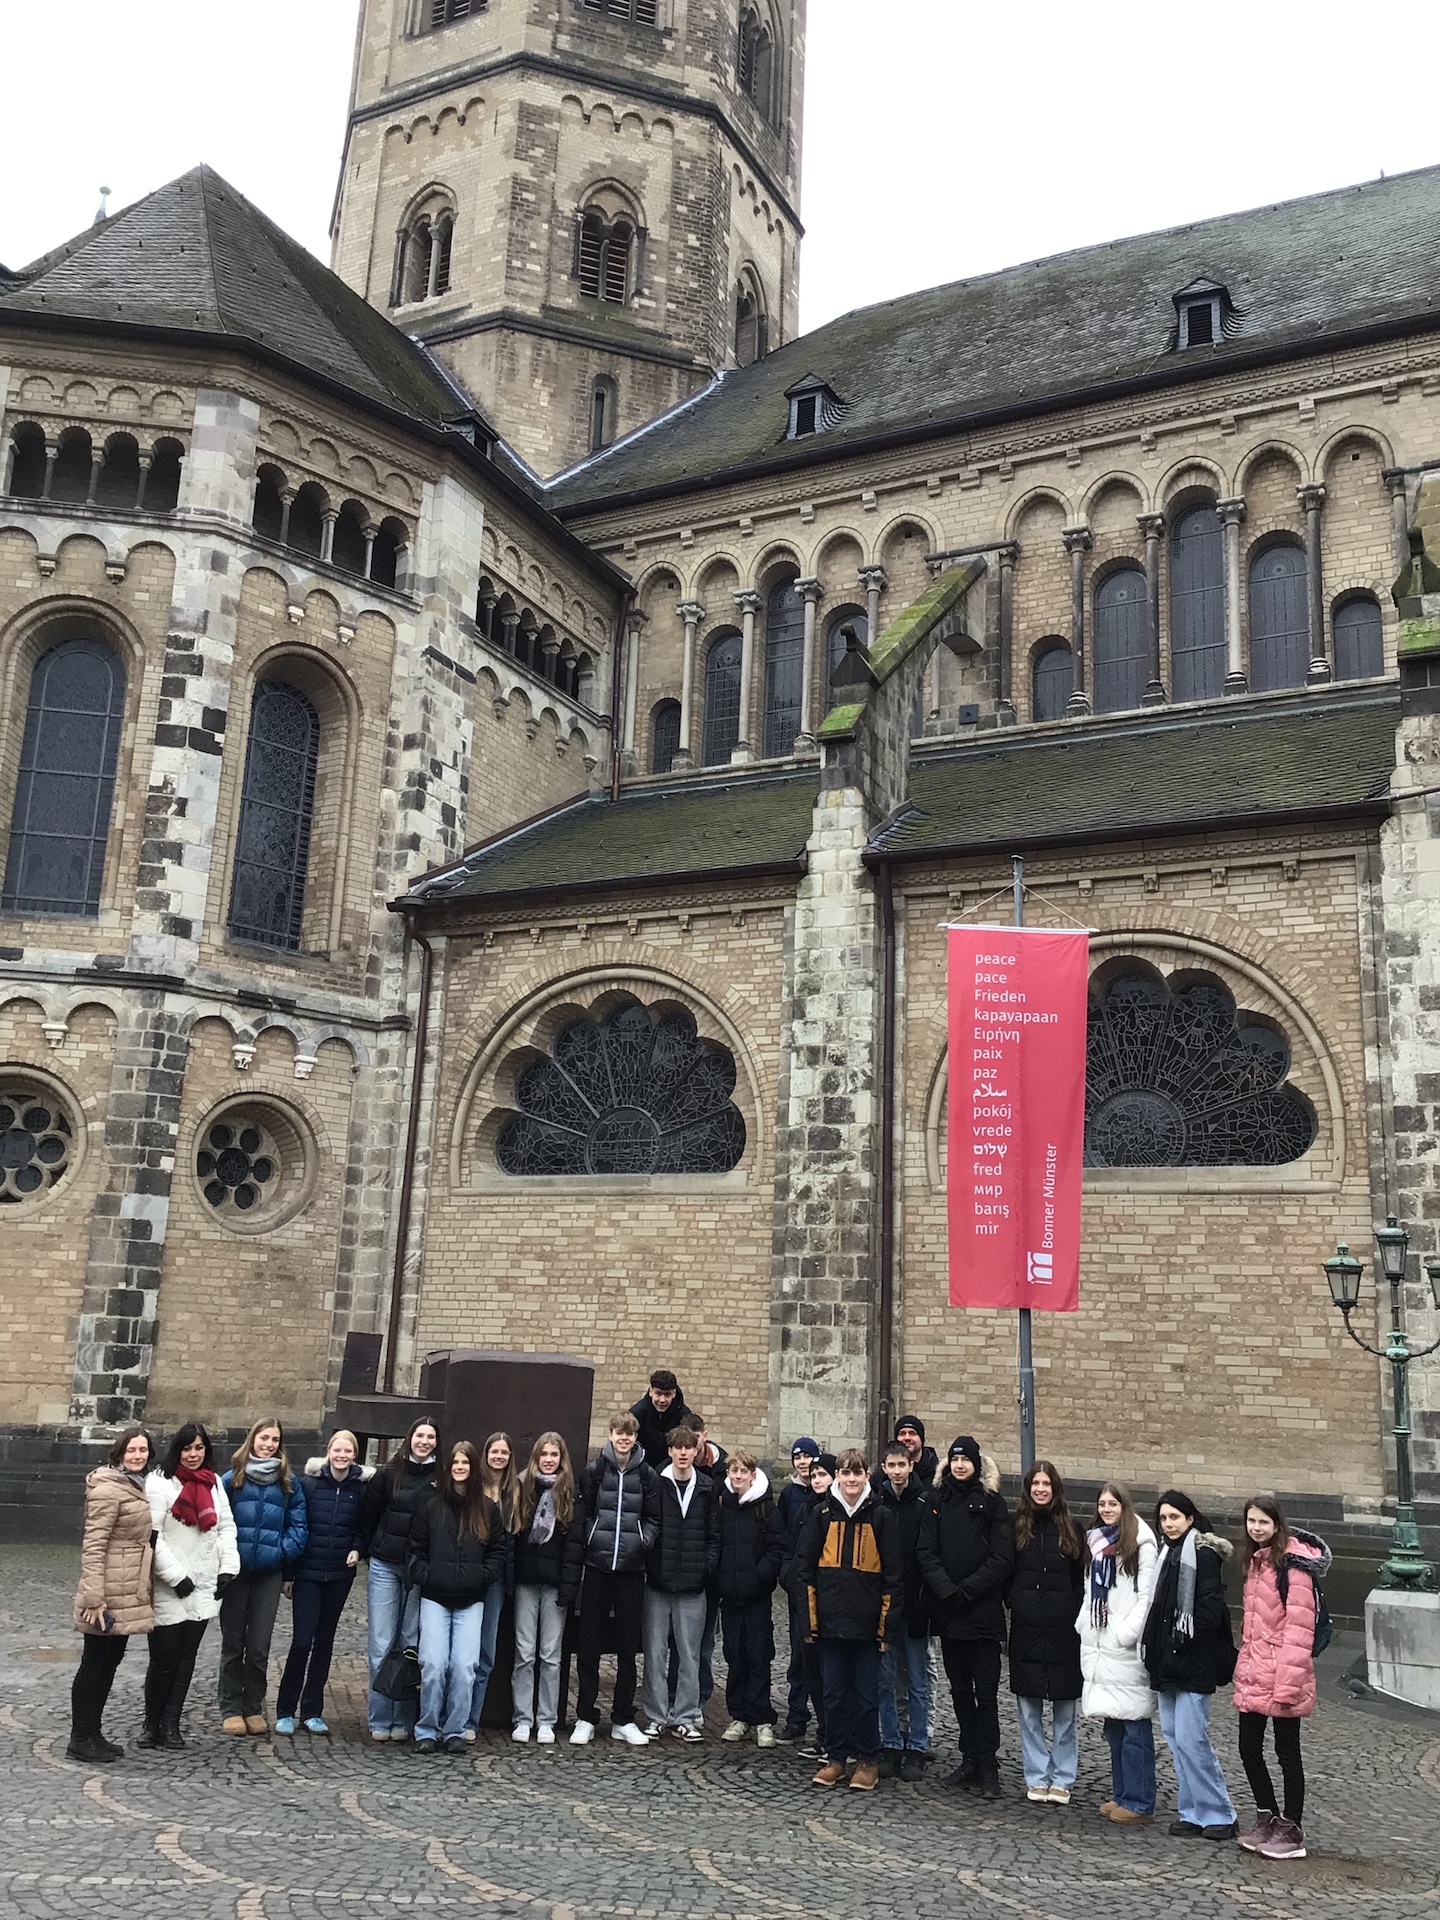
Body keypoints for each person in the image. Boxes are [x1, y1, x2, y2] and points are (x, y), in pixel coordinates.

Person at [795, 1447, 901, 1790]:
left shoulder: (882, 1517)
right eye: (845, 1473)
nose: (851, 1479)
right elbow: (804, 1571)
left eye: (857, 1473)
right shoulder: (822, 1515)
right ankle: (836, 1757)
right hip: (829, 1624)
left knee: (868, 1696)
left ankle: (867, 1759)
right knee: (833, 1694)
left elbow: (894, 1577)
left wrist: (887, 1627)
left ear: (867, 1477)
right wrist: (810, 1623)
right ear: (837, 1476)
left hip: (868, 1627)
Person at [916, 1434, 1013, 1800]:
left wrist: (968, 1590)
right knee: (959, 1692)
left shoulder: (993, 1503)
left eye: (966, 1460)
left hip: (983, 1614)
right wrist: (946, 1590)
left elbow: (1002, 1559)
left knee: (985, 1694)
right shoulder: (936, 1500)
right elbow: (926, 1551)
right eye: (954, 1460)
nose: (959, 1466)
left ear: (976, 1464)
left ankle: (988, 1763)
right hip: (949, 1613)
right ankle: (968, 1757)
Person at [1233, 1494, 1329, 1861]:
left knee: (1287, 1753)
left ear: (1277, 1524)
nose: (1256, 1528)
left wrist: (1287, 1685)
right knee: (1248, 1748)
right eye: (1251, 1521)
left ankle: (1292, 1828)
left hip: (1285, 1675)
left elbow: (1299, 1630)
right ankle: (1267, 1816)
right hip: (1256, 1672)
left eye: (1263, 1522)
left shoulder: (1293, 1567)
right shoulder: (1255, 1563)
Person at [1141, 1489, 1238, 1839]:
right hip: (1167, 1662)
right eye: (1164, 1518)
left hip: (1192, 1661)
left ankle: (1219, 1812)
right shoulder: (1166, 1554)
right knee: (1175, 1738)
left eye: (1174, 1517)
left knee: (1193, 1739)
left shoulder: (1203, 1555)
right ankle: (1192, 1811)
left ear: (1190, 1518)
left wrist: (1183, 1639)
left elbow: (1211, 1611)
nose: (1168, 1524)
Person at [142, 1421, 239, 1749]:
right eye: (187, 1448)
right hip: (171, 1584)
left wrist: (228, 1568)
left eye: (199, 1448)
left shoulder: (213, 1483)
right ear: (177, 1450)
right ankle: (150, 1722)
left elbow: (225, 1526)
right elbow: (153, 1536)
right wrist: (175, 1576)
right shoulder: (159, 1482)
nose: (193, 1454)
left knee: (186, 1657)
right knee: (163, 1659)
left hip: (203, 1582)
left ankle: (171, 1723)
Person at [409, 1440, 506, 1753]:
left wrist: (482, 1578)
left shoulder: (487, 1510)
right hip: (435, 1598)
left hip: (470, 1600)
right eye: (456, 1463)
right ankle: (426, 1729)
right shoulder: (431, 1506)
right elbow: (416, 1550)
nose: (460, 1468)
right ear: (449, 1468)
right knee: (433, 1664)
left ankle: (455, 1729)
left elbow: (497, 1552)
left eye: (466, 1463)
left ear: (473, 1468)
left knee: (465, 1668)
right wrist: (427, 1575)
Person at [275, 1429, 372, 1736]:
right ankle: (286, 1709)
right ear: (329, 1452)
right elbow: (297, 1526)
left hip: (339, 1575)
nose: (342, 1456)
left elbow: (364, 1526)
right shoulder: (309, 1484)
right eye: (337, 1450)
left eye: (348, 1452)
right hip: (308, 1573)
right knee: (302, 1641)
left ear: (354, 1455)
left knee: (325, 1643)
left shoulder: (361, 1489)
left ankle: (312, 1710)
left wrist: (358, 1547)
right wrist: (288, 1574)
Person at [572, 1411, 660, 1746]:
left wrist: (643, 1542)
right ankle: (585, 1716)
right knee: (589, 1646)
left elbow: (653, 1518)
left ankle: (623, 1717)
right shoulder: (595, 1471)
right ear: (610, 1435)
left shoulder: (648, 1475)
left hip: (631, 1571)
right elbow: (587, 1513)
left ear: (635, 1437)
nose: (624, 1438)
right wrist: (594, 1539)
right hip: (597, 1567)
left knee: (627, 1647)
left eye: (629, 1434)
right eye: (618, 1433)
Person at [69, 1427, 156, 1762]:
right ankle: (79, 1737)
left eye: (143, 1450)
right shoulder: (108, 1489)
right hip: (105, 1591)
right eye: (132, 1450)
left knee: (109, 1663)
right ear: (119, 1453)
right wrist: (94, 1596)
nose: (138, 1455)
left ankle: (94, 1733)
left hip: (127, 1590)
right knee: (94, 1664)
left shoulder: (137, 1485)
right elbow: (93, 1545)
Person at [218, 1418, 307, 1736]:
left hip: (269, 1572)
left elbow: (299, 1526)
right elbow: (218, 1520)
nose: (268, 1444)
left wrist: (281, 1553)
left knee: (258, 1646)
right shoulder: (232, 1479)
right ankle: (230, 1707)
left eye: (274, 1440)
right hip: (236, 1573)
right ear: (252, 1439)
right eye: (264, 1438)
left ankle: (252, 1706)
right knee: (233, 1643)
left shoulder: (288, 1482)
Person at [1078, 1481, 1160, 1825]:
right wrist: (1085, 1623)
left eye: (1113, 1504)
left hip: (1125, 1646)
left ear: (1124, 1506)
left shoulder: (1141, 1545)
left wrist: (1127, 1633)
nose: (1106, 1509)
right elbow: (1090, 1590)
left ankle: (1140, 1801)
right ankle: (1123, 1793)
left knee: (1134, 1727)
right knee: (1114, 1727)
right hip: (1102, 1642)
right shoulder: (1098, 1543)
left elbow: (1147, 1596)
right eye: (1102, 1504)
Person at [1008, 1460, 1085, 1805]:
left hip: (1063, 1630)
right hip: (1027, 1627)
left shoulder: (1072, 1528)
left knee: (1065, 1710)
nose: (1040, 1489)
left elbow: (1080, 1581)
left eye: (1046, 1483)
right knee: (1029, 1709)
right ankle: (1036, 1774)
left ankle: (1063, 1776)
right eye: (1035, 1483)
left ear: (1055, 1488)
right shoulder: (1016, 1527)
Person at [359, 1416, 438, 1743]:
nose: (425, 1441)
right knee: (381, 1643)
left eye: (431, 1437)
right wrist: (362, 1549)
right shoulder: (388, 1474)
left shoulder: (441, 1478)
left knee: (410, 1645)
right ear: (410, 1438)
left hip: (418, 1570)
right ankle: (380, 1716)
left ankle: (404, 1717)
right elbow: (369, 1515)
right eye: (420, 1435)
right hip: (386, 1565)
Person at [640, 1424, 720, 1741]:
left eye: (689, 1448)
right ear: (671, 1451)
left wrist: (705, 1568)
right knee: (655, 1654)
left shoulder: (707, 1488)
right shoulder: (657, 1485)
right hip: (658, 1584)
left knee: (689, 1655)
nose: (684, 1453)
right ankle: (657, 1715)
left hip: (692, 1586)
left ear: (695, 1451)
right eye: (678, 1448)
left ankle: (685, 1715)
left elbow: (714, 1536)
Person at [511, 1431, 585, 1744]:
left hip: (555, 1584)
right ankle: (522, 1718)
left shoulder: (569, 1492)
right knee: (525, 1654)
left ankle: (546, 1719)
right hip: (527, 1581)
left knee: (551, 1655)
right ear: (537, 1456)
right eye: (545, 1454)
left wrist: (568, 1587)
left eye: (555, 1455)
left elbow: (574, 1546)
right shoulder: (523, 1485)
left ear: (561, 1459)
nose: (549, 1460)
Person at [715, 1448, 784, 1746]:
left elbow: (777, 1547)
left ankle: (762, 1718)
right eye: (734, 1471)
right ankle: (739, 1715)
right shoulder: (722, 1505)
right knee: (734, 1655)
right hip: (729, 1596)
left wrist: (759, 1577)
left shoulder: (766, 1508)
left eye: (744, 1471)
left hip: (756, 1596)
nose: (738, 1476)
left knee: (758, 1655)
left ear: (753, 1475)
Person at [873, 1440, 932, 1780]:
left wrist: (924, 1604)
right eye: (891, 1465)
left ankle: (918, 1746)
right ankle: (891, 1743)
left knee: (917, 1680)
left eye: (902, 1465)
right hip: (884, 1604)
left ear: (911, 1466)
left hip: (914, 1604)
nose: (897, 1471)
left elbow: (927, 1556)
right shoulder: (877, 1502)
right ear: (884, 1467)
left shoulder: (924, 1503)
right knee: (885, 1679)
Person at [466, 1431, 519, 1738]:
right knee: (464, 1653)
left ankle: (472, 1719)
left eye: (504, 1452)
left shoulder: (516, 1490)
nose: (499, 1456)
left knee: (486, 1653)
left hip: (498, 1581)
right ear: (485, 1454)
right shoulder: (473, 1489)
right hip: (470, 1578)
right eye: (494, 1451)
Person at [775, 1438, 820, 1745]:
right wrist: (787, 1576)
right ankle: (796, 1717)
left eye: (808, 1457)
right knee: (799, 1658)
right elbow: (784, 1539)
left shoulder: (826, 1496)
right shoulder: (789, 1494)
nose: (803, 1462)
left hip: (824, 1589)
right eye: (798, 1457)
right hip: (797, 1588)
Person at [794, 1451, 836, 1761]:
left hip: (834, 1603)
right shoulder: (808, 1510)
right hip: (805, 1601)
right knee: (813, 1674)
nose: (818, 1479)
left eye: (824, 1474)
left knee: (834, 1674)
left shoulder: (834, 1512)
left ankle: (837, 1736)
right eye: (815, 1475)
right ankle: (824, 1734)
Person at [629, 1370, 693, 1468]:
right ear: (651, 1392)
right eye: (658, 1394)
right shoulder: (636, 1414)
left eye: (667, 1395)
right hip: (642, 1469)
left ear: (674, 1394)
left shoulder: (684, 1415)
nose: (662, 1400)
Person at [892, 1416, 940, 1489]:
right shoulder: (883, 1475)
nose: (907, 1438)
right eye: (902, 1433)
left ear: (921, 1439)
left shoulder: (938, 1475)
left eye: (912, 1433)